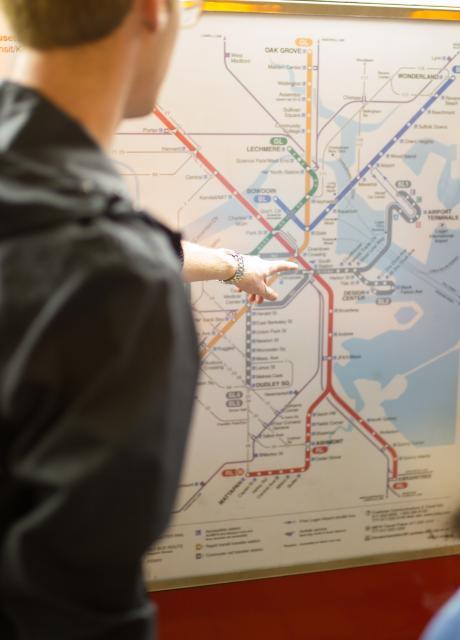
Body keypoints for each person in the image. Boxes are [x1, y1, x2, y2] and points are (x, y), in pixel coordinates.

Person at [0, 1, 297, 639]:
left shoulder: (71, 238)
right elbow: (77, 610)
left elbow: (47, 237)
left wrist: (230, 263)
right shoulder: (119, 284)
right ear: (151, 11)